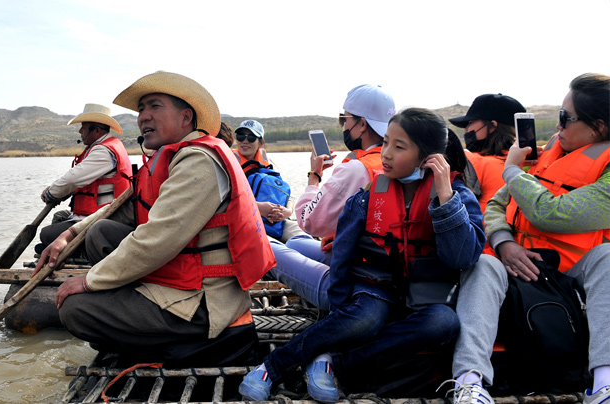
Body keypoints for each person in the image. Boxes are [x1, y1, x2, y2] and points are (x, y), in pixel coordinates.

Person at [239, 108, 485, 402]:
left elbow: (462, 258)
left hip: (425, 296)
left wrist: (445, 199)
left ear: (429, 156)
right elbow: (344, 250)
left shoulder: (457, 196)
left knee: (444, 321)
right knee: (364, 319)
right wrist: (342, 311)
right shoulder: (371, 193)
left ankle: (335, 364)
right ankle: (273, 366)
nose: (387, 154)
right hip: (375, 289)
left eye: (399, 146)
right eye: (386, 143)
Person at [33, 71, 275, 367]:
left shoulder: (199, 160)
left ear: (186, 118)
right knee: (102, 232)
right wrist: (68, 235)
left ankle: (187, 343)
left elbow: (156, 240)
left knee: (74, 309)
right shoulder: (170, 157)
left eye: (155, 107)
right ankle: (147, 334)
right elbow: (116, 210)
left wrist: (88, 281)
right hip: (175, 281)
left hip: (204, 303)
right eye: (141, 109)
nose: (143, 117)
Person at [447, 73, 610, 404]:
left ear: (598, 127)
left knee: (609, 257)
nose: (558, 126)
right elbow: (495, 205)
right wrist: (505, 243)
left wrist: (511, 170)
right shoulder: (549, 153)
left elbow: (551, 212)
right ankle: (469, 381)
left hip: (574, 269)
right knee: (482, 264)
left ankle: (604, 383)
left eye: (565, 118)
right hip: (520, 259)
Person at [266, 84, 396, 310]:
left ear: (362, 124)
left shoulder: (357, 168)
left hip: (350, 285)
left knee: (265, 245)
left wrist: (314, 175)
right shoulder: (398, 165)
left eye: (344, 119)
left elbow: (309, 222)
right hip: (385, 272)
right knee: (296, 242)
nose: (344, 126)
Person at [36, 103, 132, 251]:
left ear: (97, 130)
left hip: (104, 217)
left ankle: (74, 250)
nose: (80, 131)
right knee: (59, 216)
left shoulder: (103, 151)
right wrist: (63, 194)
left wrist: (51, 193)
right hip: (94, 214)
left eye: (84, 127)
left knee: (45, 235)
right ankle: (62, 248)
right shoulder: (104, 146)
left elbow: (72, 178)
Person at [448, 93, 526, 213]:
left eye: (470, 123)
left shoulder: (471, 160)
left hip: (486, 230)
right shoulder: (531, 159)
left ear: (492, 126)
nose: (466, 130)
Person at [233, 119, 306, 242]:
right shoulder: (228, 164)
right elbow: (224, 201)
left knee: (300, 236)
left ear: (261, 143)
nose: (245, 141)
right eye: (240, 137)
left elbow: (288, 197)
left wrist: (287, 211)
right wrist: (257, 207)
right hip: (247, 220)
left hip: (278, 221)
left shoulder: (269, 166)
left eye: (251, 137)